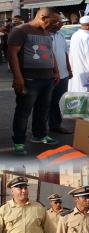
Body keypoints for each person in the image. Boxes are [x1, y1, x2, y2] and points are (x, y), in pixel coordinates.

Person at [7, 7, 61, 155]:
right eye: (54, 21)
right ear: (43, 17)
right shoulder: (20, 31)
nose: (56, 24)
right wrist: (18, 77)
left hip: (47, 79)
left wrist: (55, 71)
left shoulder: (46, 32)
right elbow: (12, 55)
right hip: (29, 79)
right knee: (23, 112)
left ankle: (40, 135)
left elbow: (51, 52)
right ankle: (19, 142)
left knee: (43, 110)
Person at [48, 15, 72, 134]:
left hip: (63, 74)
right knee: (46, 102)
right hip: (49, 75)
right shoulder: (44, 35)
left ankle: (56, 124)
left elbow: (65, 53)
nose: (62, 25)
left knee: (59, 101)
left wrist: (69, 69)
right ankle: (41, 129)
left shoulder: (61, 35)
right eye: (60, 22)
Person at [68, 15, 89, 93]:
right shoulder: (87, 37)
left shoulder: (75, 35)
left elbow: (70, 54)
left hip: (76, 70)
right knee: (86, 94)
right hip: (87, 72)